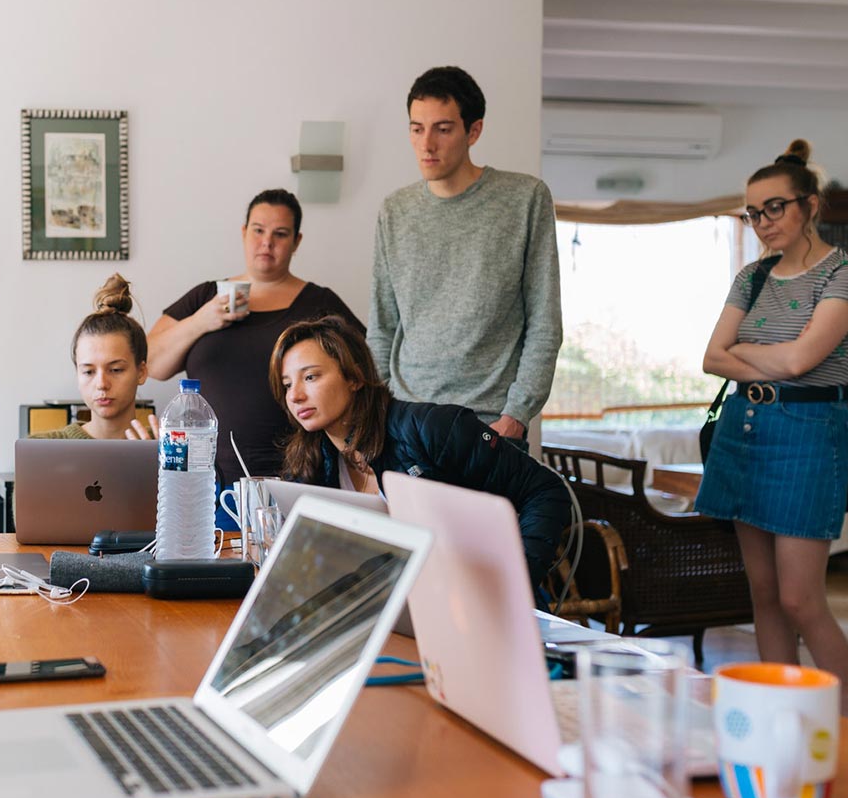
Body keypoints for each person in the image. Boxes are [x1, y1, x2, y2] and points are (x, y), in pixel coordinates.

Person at [697, 140, 848, 721]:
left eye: (775, 208)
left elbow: (802, 363)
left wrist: (748, 349)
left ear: (809, 206)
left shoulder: (847, 274)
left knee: (801, 599)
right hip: (745, 428)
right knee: (764, 597)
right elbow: (711, 359)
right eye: (752, 212)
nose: (762, 223)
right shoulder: (752, 276)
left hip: (808, 433)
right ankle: (780, 720)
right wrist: (766, 354)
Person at [271, 315, 570, 595]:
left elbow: (545, 490)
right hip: (394, 607)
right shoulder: (309, 462)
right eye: (287, 385)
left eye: (310, 377)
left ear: (355, 378)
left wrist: (513, 584)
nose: (295, 395)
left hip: (475, 600)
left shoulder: (433, 429)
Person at [370, 66, 562, 446]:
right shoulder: (395, 210)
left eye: (443, 129)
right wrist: (381, 409)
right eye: (416, 128)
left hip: (491, 425)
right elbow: (382, 325)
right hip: (407, 420)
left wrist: (516, 415)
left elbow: (545, 322)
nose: (427, 144)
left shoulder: (524, 199)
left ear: (473, 131)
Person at [148, 189, 363, 490]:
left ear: (296, 241)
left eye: (280, 234)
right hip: (204, 482)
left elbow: (363, 374)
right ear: (244, 232)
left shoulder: (320, 302)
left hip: (301, 477)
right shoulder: (206, 296)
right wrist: (201, 321)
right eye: (258, 230)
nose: (267, 242)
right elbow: (152, 364)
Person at [31, 273, 158, 441]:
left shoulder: (168, 449)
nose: (101, 384)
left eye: (115, 369)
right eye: (89, 372)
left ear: (141, 372)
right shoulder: (41, 448)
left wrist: (161, 466)